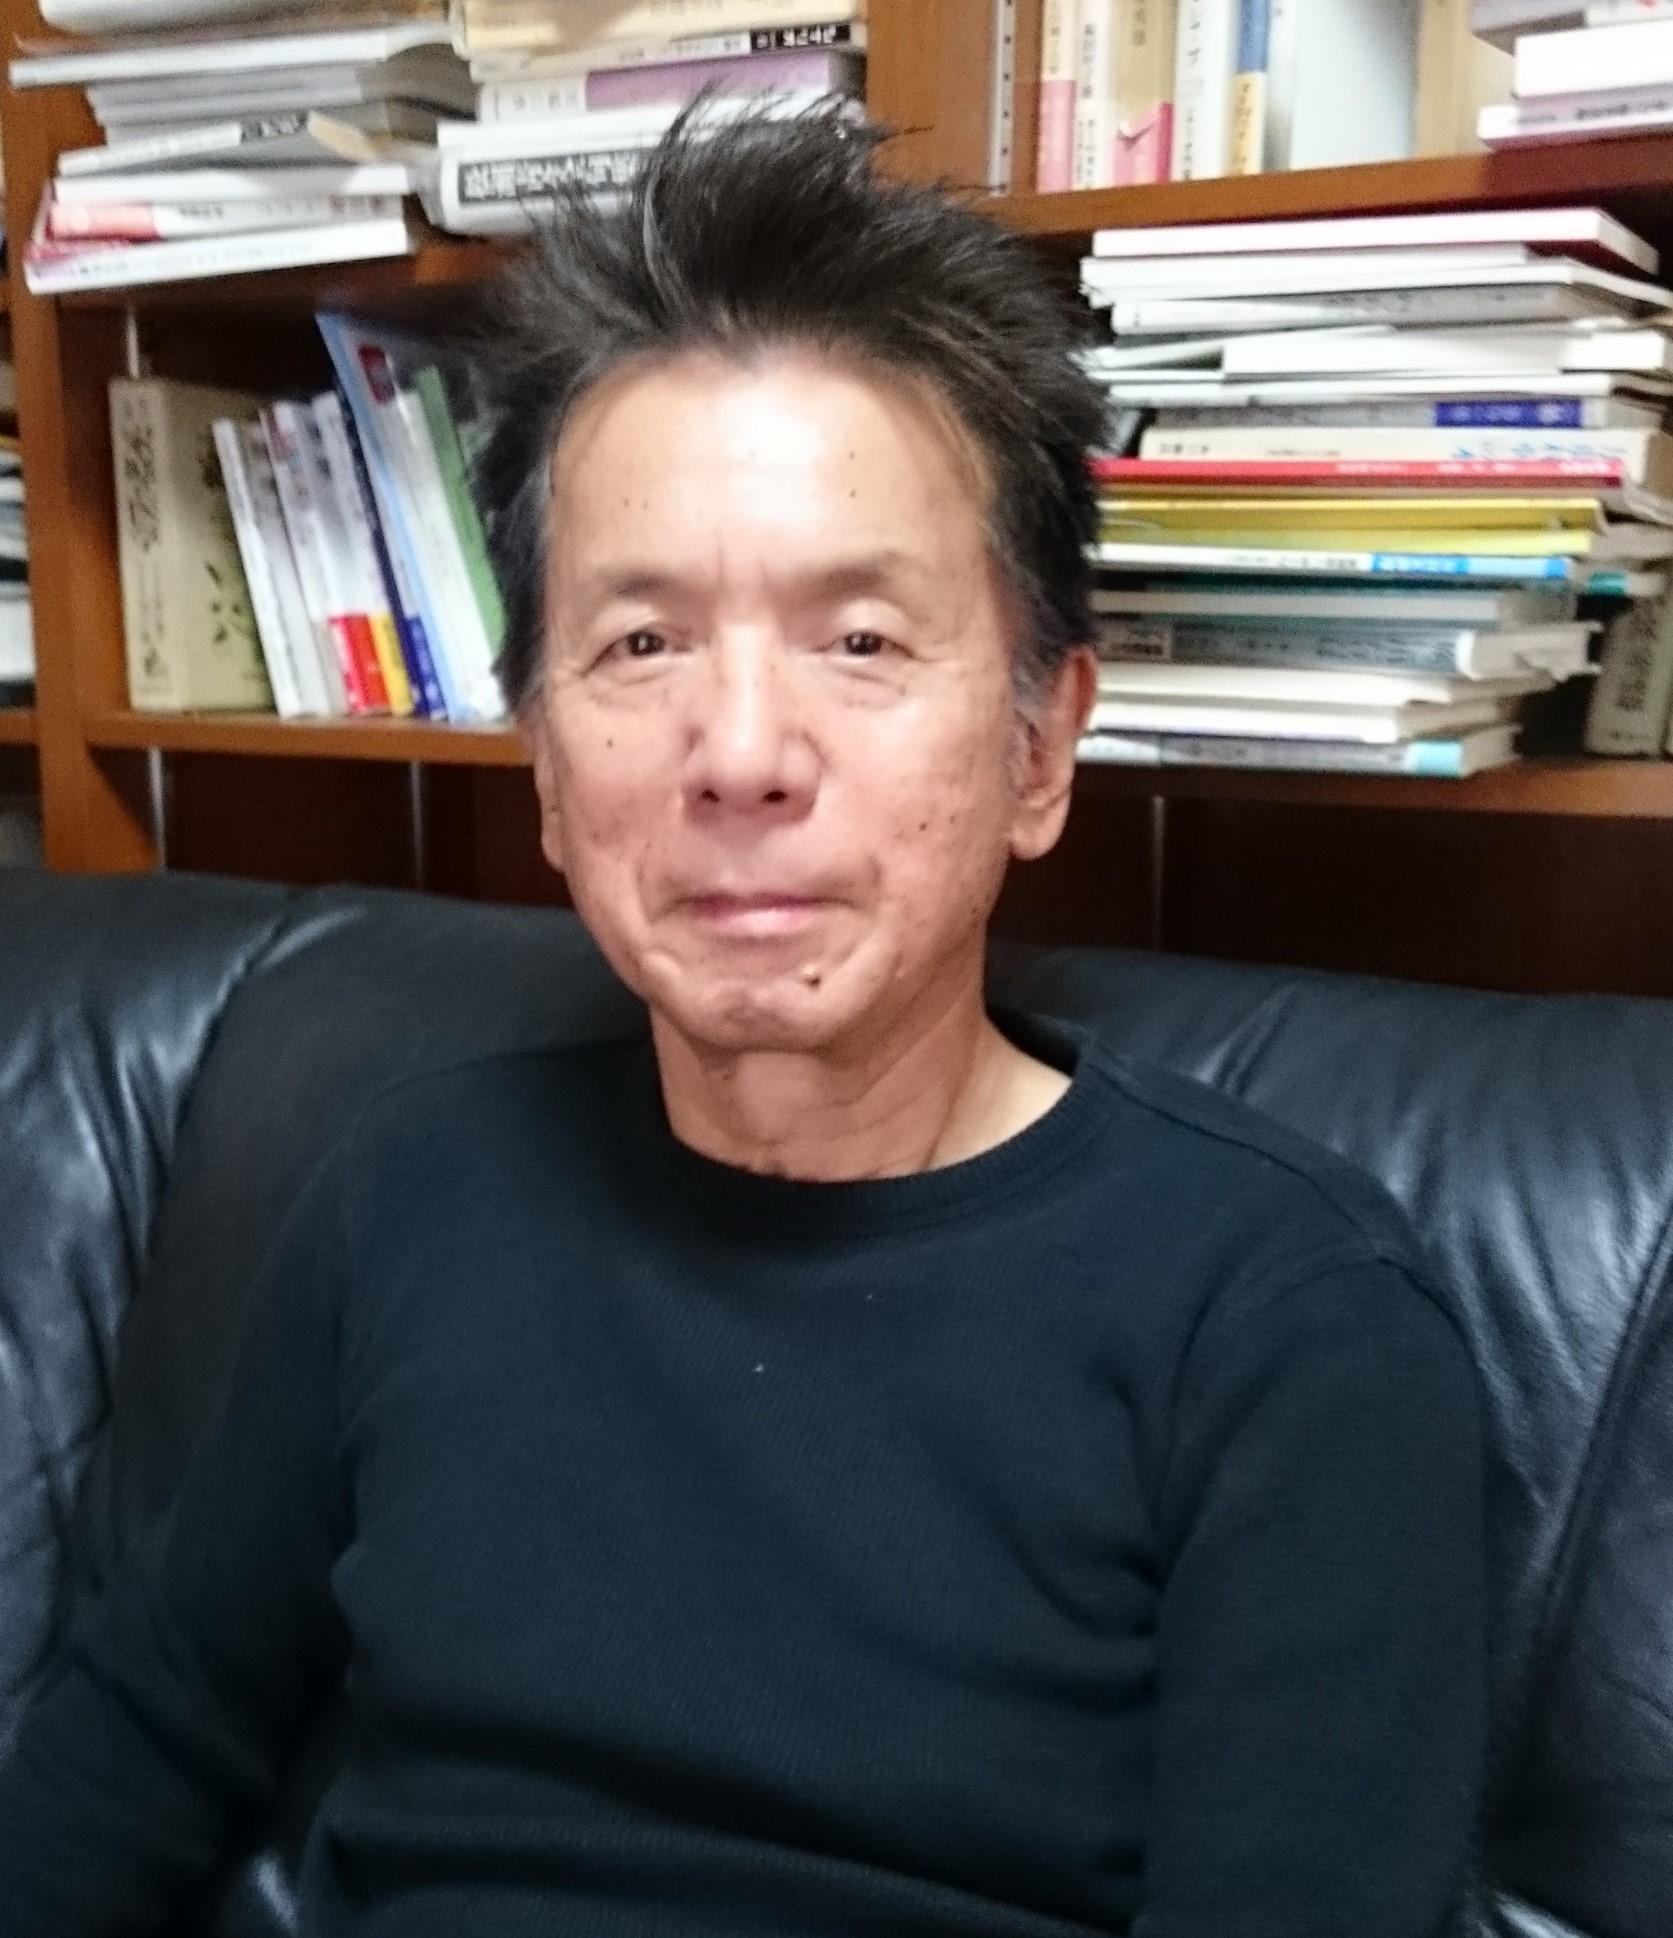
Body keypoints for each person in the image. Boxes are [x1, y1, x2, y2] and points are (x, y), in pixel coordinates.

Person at [0, 102, 1486, 1937]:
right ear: (547, 772)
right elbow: (136, 1746)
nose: (741, 753)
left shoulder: (1288, 1326)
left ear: (1038, 746)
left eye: (860, 639)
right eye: (640, 644)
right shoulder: (410, 1195)